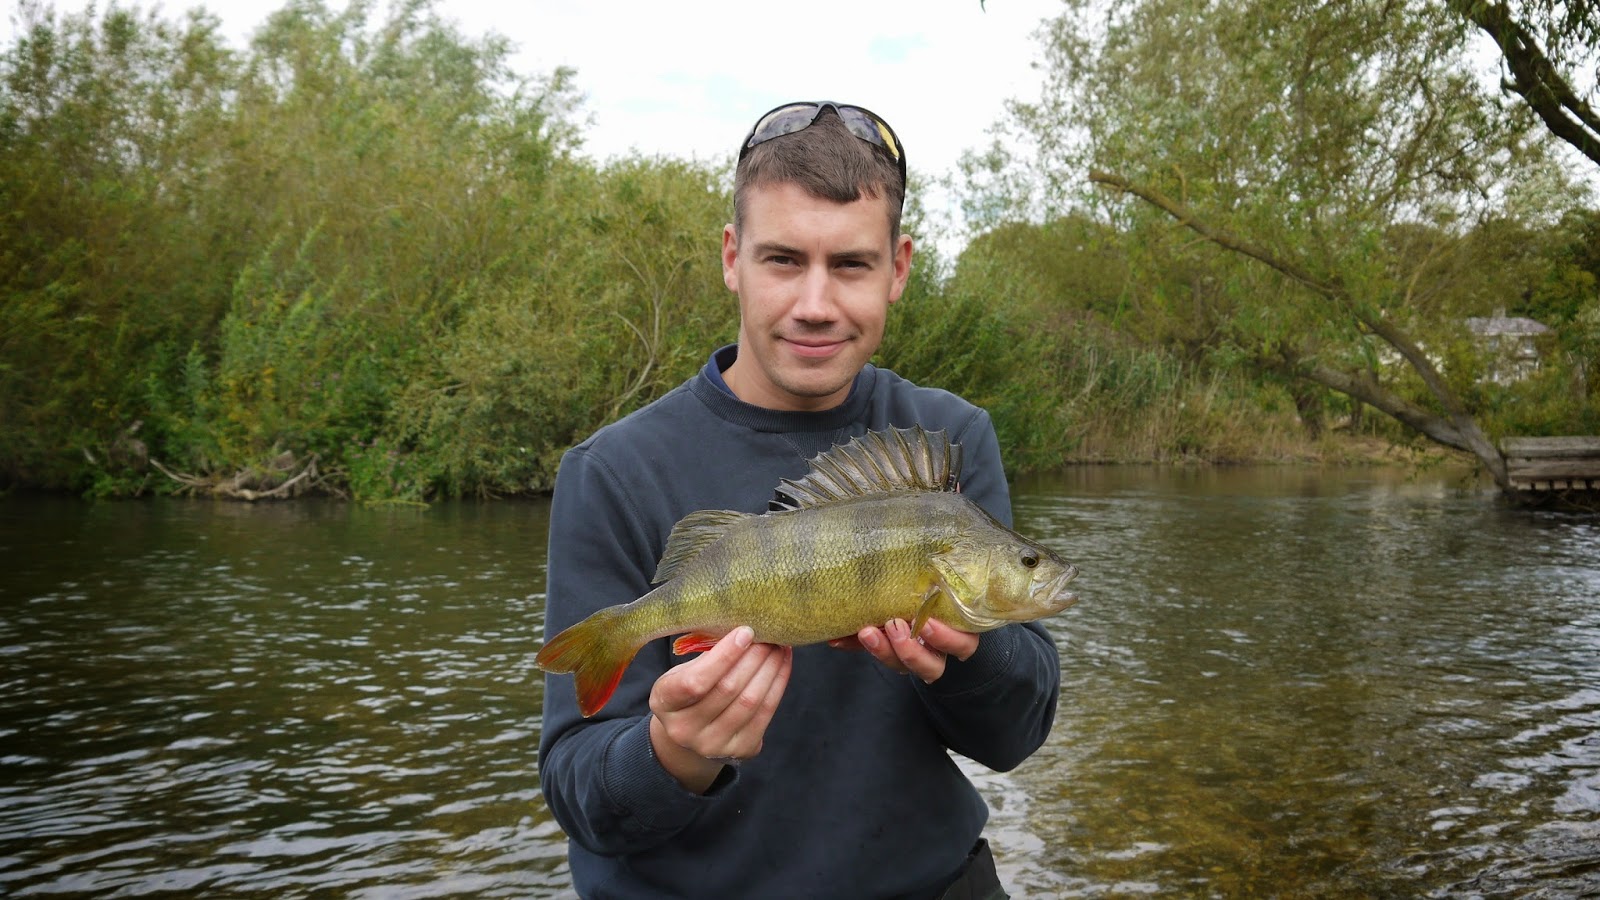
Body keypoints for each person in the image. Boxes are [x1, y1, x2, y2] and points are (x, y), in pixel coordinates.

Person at [537, 100, 1060, 899]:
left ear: (900, 268)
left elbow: (1016, 736)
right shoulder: (612, 469)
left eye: (850, 264)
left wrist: (969, 656)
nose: (815, 303)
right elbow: (581, 795)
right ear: (731, 258)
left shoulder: (951, 438)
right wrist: (672, 752)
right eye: (783, 259)